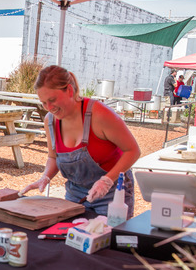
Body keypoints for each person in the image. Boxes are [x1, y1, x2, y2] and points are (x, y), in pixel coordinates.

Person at [20, 65, 140, 217]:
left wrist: (107, 181)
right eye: (44, 103)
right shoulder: (50, 121)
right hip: (76, 193)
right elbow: (53, 157)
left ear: (69, 90)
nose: (49, 107)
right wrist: (45, 177)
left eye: (52, 100)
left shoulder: (99, 114)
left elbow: (133, 151)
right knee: (72, 236)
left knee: (107, 238)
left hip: (113, 193)